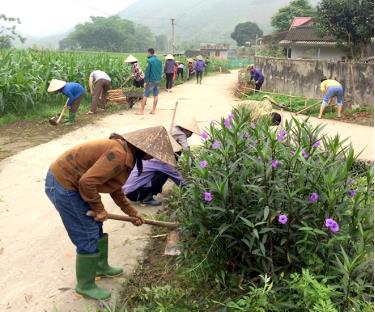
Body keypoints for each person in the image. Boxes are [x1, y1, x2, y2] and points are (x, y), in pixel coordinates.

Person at [45, 126, 176, 300]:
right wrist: (99, 209)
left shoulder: (127, 153)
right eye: (152, 153)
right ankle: (85, 286)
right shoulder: (120, 155)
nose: (153, 157)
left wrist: (131, 213)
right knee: (87, 232)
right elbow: (87, 182)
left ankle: (100, 267)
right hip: (64, 183)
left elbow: (115, 188)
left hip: (75, 182)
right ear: (143, 148)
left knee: (96, 225)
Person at [123, 137, 183, 206]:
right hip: (135, 194)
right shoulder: (163, 162)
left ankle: (151, 192)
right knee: (163, 174)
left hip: (128, 190)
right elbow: (178, 179)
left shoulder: (150, 155)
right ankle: (146, 198)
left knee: (159, 172)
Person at [137, 48, 162, 115]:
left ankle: (141, 111)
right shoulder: (159, 61)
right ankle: (153, 110)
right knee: (156, 95)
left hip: (151, 81)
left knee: (145, 95)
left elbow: (147, 72)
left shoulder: (149, 61)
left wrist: (145, 81)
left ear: (149, 52)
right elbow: (160, 71)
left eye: (147, 53)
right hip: (158, 80)